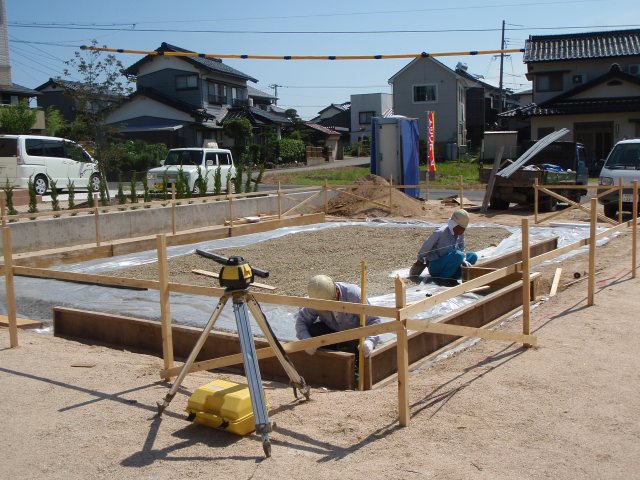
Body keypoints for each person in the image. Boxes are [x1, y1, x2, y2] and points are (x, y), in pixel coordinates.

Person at [295, 275, 381, 357]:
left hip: (355, 336)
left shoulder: (353, 294)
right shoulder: (317, 298)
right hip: (332, 334)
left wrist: (370, 341)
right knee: (314, 331)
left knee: (362, 353)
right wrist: (306, 340)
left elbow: (373, 320)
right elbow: (301, 322)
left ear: (336, 292)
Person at [409, 209, 478, 281]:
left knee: (473, 256)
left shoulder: (460, 234)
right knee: (458, 255)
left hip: (452, 264)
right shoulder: (440, 232)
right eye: (461, 228)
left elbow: (461, 248)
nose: (462, 231)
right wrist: (419, 260)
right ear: (454, 224)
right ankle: (442, 279)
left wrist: (463, 260)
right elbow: (426, 246)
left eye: (464, 229)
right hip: (436, 266)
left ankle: (455, 275)